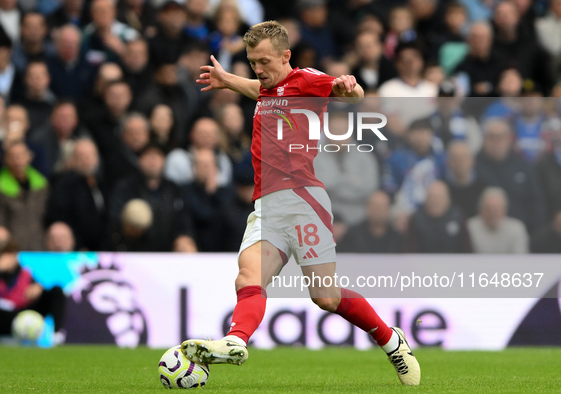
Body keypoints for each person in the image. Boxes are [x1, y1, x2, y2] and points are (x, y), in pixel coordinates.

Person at [180, 21, 420, 386]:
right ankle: (235, 341)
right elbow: (258, 89)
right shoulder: (266, 88)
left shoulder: (307, 80)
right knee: (248, 276)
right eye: (252, 62)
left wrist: (349, 87)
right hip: (266, 206)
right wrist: (228, 79)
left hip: (303, 199)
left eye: (264, 62)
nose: (258, 70)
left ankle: (390, 340)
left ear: (285, 56)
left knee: (325, 297)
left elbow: (349, 95)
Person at [0, 239, 66, 344]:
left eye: (11, 254)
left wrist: (39, 288)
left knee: (57, 290)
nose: (8, 259)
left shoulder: (25, 272)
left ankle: (57, 335)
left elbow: (37, 290)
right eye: (4, 254)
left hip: (22, 313)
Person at [0, 141, 48, 250]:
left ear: (29, 157)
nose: (17, 160)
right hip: (11, 247)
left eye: (21, 155)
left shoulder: (42, 185)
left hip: (40, 246)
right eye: (13, 156)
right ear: (5, 160)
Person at [404, 180, 473, 253]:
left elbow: (467, 250)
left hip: (453, 262)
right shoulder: (416, 219)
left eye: (439, 197)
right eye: (432, 197)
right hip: (423, 262)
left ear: (448, 200)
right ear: (426, 200)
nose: (435, 201)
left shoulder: (458, 217)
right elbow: (410, 251)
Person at [337, 191, 402, 253]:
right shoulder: (352, 235)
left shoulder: (397, 238)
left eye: (382, 206)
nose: (378, 210)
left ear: (389, 209)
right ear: (367, 207)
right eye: (375, 206)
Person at [467, 187, 529, 253]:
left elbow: (521, 259)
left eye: (496, 210)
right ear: (481, 210)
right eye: (489, 209)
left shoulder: (516, 229)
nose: (492, 214)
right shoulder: (469, 228)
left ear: (504, 210)